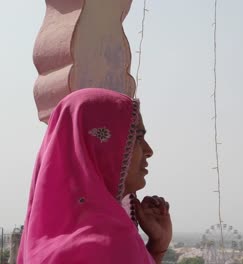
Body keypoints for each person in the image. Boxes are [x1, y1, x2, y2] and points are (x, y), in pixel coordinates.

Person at [18, 88, 172, 264]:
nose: (148, 150)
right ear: (100, 147)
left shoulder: (47, 240)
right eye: (136, 137)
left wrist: (157, 245)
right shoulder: (108, 245)